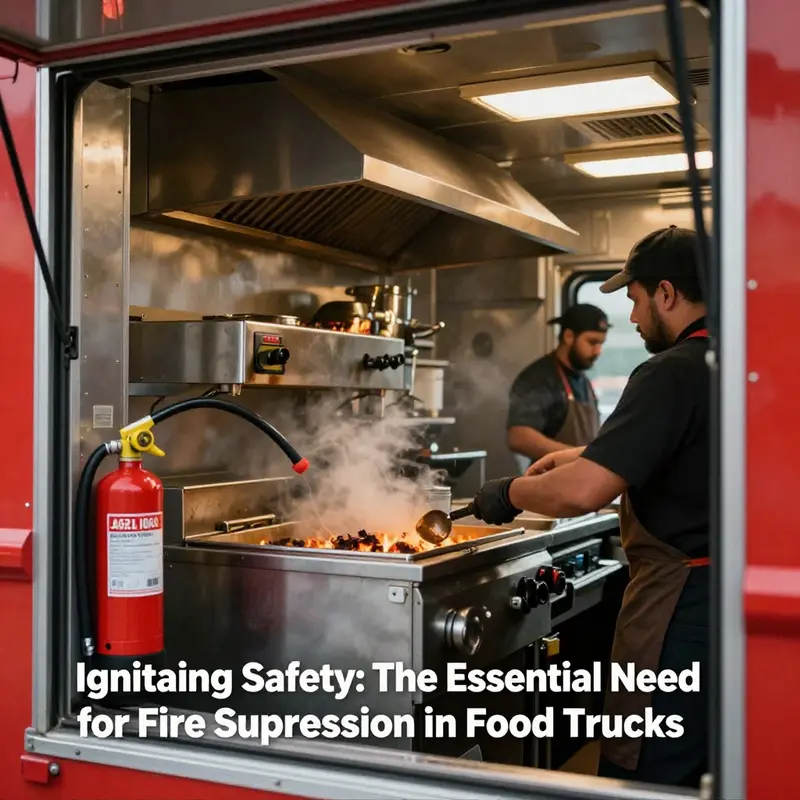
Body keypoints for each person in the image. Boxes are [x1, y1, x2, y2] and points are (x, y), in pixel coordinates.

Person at [470, 225, 710, 789]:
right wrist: (582, 454)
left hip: (677, 612)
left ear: (667, 294)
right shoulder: (728, 360)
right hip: (718, 603)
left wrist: (507, 493)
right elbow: (672, 445)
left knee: (651, 770)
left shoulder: (669, 371)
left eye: (635, 299)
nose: (633, 317)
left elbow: (582, 494)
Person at [506, 304, 609, 474]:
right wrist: (577, 457)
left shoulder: (584, 382)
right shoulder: (539, 378)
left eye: (601, 343)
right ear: (569, 336)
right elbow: (518, 436)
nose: (598, 351)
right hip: (548, 483)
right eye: (592, 342)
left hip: (581, 482)